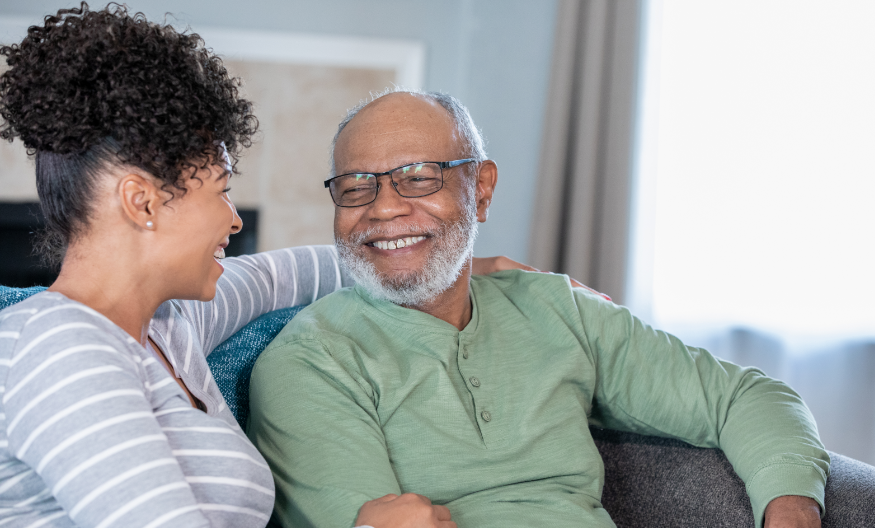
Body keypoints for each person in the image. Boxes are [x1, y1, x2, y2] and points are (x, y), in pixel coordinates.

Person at [0, 5, 520, 527]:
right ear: (144, 202)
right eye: (222, 190)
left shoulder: (168, 326)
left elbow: (283, 276)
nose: (233, 219)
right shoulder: (61, 348)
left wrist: (434, 261)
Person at [248, 89, 831, 528]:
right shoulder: (311, 361)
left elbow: (744, 397)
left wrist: (789, 504)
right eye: (356, 187)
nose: (383, 209)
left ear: (481, 189)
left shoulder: (559, 310)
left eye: (418, 179)